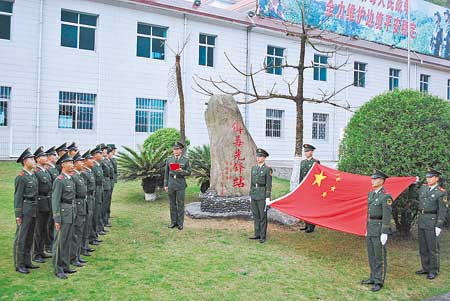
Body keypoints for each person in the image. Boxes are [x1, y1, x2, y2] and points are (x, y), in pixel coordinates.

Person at [361, 170, 392, 292]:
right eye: (372, 179)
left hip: (379, 228)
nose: (372, 181)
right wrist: (366, 227)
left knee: (379, 256)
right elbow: (369, 213)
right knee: (371, 255)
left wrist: (384, 231)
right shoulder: (371, 194)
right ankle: (373, 277)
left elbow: (387, 215)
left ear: (381, 181)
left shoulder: (386, 196)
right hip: (371, 226)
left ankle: (379, 281)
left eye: (375, 179)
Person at [415, 168, 448, 280]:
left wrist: (439, 225)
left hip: (432, 221)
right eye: (427, 177)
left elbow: (442, 210)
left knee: (432, 248)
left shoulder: (441, 192)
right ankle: (425, 268)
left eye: (431, 177)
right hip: (422, 220)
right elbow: (413, 196)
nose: (428, 179)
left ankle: (434, 270)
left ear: (437, 178)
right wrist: (413, 184)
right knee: (423, 247)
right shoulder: (423, 188)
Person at [13, 148, 39, 274]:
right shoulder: (21, 177)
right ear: (25, 161)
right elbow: (18, 197)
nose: (34, 161)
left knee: (30, 236)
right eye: (31, 159)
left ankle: (27, 261)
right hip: (25, 209)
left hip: (33, 208)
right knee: (21, 237)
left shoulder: (32, 175)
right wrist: (18, 215)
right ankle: (19, 264)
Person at [52, 152, 77, 279]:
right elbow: (55, 200)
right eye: (70, 163)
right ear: (63, 165)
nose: (72, 165)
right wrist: (57, 218)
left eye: (73, 162)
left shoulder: (70, 178)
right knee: (60, 242)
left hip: (70, 212)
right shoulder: (59, 180)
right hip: (62, 214)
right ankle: (58, 268)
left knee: (67, 240)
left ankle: (65, 265)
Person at [32, 146, 53, 264]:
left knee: (44, 228)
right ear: (38, 159)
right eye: (43, 156)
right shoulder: (36, 172)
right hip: (40, 203)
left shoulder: (45, 171)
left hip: (47, 202)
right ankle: (36, 253)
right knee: (38, 229)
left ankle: (42, 250)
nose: (46, 157)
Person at [164, 142, 191, 230]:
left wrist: (181, 171)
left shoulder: (185, 160)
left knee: (180, 204)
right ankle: (173, 222)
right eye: (174, 149)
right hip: (171, 183)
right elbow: (166, 172)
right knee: (172, 204)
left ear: (181, 150)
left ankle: (180, 223)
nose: (175, 151)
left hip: (180, 184)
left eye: (177, 149)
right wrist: (165, 184)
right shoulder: (169, 159)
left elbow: (189, 172)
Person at [249, 148, 273, 243]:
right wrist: (250, 195)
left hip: (262, 195)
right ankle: (257, 234)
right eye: (258, 156)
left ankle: (263, 236)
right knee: (256, 216)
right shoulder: (253, 168)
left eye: (261, 157)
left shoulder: (267, 169)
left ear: (264, 158)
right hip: (254, 194)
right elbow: (251, 183)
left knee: (262, 216)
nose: (259, 158)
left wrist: (267, 197)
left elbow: (269, 184)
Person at [70, 152, 88, 267]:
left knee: (79, 231)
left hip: (82, 205)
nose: (83, 163)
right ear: (76, 163)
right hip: (77, 206)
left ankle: (77, 255)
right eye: (81, 161)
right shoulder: (74, 176)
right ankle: (73, 257)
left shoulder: (79, 175)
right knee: (75, 233)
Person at [299, 144, 320, 233]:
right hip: (304, 188)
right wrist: (299, 186)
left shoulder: (316, 162)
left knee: (311, 207)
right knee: (305, 207)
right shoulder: (302, 162)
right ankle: (306, 224)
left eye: (308, 151)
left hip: (312, 187)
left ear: (312, 152)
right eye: (305, 151)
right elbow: (301, 176)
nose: (306, 153)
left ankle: (311, 226)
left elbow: (318, 176)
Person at [81, 150, 96, 256]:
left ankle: (85, 245)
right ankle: (82, 247)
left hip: (91, 198)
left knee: (88, 222)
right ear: (85, 161)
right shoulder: (84, 173)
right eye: (90, 159)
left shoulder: (89, 171)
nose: (92, 160)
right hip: (86, 199)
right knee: (84, 224)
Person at [44, 146, 59, 254]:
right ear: (49, 157)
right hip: (48, 198)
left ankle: (49, 242)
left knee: (51, 222)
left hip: (51, 198)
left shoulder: (53, 168)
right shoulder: (48, 169)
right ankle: (47, 244)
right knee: (48, 223)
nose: (56, 156)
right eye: (54, 155)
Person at [90, 146, 104, 243]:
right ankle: (92, 236)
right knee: (93, 215)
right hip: (95, 192)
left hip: (99, 190)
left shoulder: (97, 165)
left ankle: (94, 235)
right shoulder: (93, 167)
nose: (102, 155)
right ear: (95, 155)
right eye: (99, 153)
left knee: (97, 213)